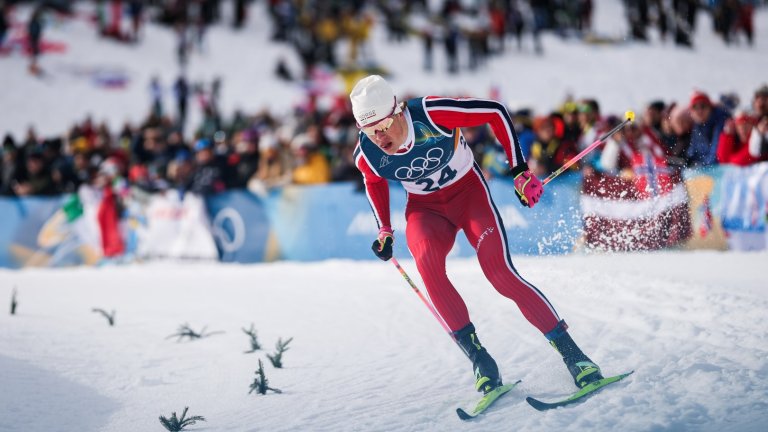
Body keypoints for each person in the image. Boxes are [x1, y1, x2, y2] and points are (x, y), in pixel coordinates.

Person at [349, 75, 604, 395]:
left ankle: (575, 356)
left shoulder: (431, 114)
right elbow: (373, 181)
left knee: (500, 275)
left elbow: (495, 112)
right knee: (428, 267)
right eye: (368, 130)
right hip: (426, 211)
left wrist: (519, 170)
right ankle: (481, 361)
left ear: (398, 111)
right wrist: (384, 229)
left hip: (469, 197)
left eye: (383, 126)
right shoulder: (367, 153)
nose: (379, 137)